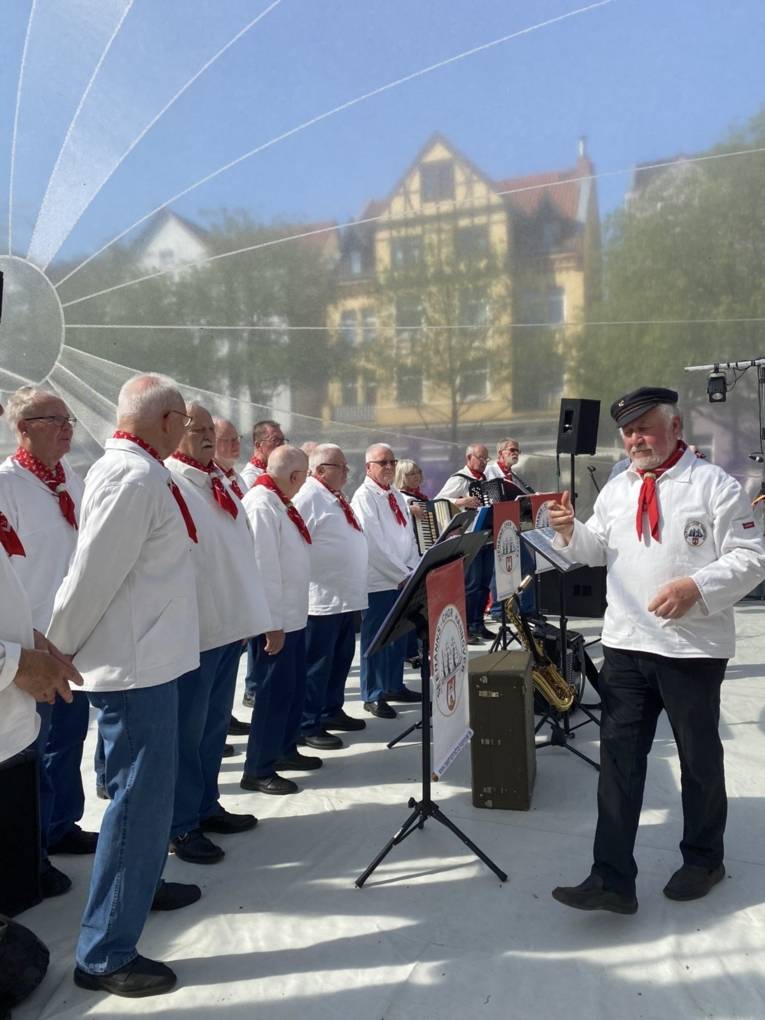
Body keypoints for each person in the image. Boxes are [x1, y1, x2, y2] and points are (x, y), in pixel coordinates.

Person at [548, 386, 765, 915]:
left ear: (676, 427)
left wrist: (696, 588)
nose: (635, 439)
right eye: (628, 431)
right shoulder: (619, 488)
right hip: (625, 646)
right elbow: (597, 548)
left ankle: (704, 859)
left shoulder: (713, 485)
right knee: (619, 761)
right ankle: (611, 878)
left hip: (691, 649)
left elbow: (752, 557)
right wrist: (568, 531)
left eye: (645, 427)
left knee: (698, 759)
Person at [47, 374, 202, 998]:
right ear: (165, 420)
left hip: (150, 661)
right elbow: (91, 573)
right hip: (136, 670)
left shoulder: (139, 471)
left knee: (143, 802)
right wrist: (55, 651)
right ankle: (106, 951)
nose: (187, 433)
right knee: (138, 802)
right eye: (183, 423)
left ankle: (139, 885)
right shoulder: (133, 476)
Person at [166, 404, 272, 864]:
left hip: (227, 626)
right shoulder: (169, 481)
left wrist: (253, 615)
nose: (208, 436)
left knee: (211, 728)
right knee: (186, 734)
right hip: (194, 630)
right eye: (199, 429)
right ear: (174, 431)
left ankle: (206, 805)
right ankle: (181, 825)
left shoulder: (221, 480)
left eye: (213, 429)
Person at [0, 387, 95, 899]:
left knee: (68, 740)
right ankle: (33, 851)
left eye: (69, 418)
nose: (67, 427)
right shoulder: (6, 485)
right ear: (23, 428)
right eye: (53, 419)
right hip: (29, 648)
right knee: (34, 749)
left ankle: (62, 825)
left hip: (70, 635)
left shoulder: (70, 481)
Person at [241, 446, 314, 794]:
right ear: (296, 476)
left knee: (291, 690)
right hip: (277, 621)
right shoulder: (261, 503)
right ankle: (258, 767)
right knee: (271, 695)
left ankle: (284, 748)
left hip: (293, 615)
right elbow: (262, 567)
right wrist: (271, 623)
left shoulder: (277, 500)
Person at [293, 444, 368, 745]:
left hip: (343, 596)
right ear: (321, 470)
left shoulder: (333, 497)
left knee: (340, 659)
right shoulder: (309, 497)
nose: (347, 472)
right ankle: (308, 723)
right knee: (317, 664)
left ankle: (330, 709)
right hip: (321, 599)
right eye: (341, 467)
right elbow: (298, 542)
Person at [351, 444, 421, 719]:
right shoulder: (363, 497)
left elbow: (409, 535)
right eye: (383, 463)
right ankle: (373, 693)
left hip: (402, 576)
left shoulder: (395, 494)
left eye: (392, 461)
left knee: (398, 635)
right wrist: (400, 573)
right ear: (369, 467)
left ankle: (393, 685)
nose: (389, 467)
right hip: (380, 579)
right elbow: (374, 543)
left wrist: (415, 567)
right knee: (377, 638)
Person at [240, 419, 285, 709]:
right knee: (261, 643)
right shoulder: (250, 479)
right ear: (259, 446)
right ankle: (254, 688)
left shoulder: (275, 477)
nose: (282, 445)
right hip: (257, 571)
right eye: (276, 441)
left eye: (283, 439)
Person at [435, 444, 494, 644]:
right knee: (472, 584)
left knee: (484, 583)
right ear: (469, 458)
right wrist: (462, 502)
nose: (485, 462)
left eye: (487, 459)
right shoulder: (459, 479)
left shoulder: (484, 480)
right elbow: (439, 502)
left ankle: (478, 623)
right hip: (470, 537)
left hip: (486, 536)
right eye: (481, 458)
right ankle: (467, 625)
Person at [240, 419, 285, 489]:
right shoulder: (250, 477)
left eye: (282, 440)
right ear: (258, 445)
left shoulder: (278, 472)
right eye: (275, 440)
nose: (281, 445)